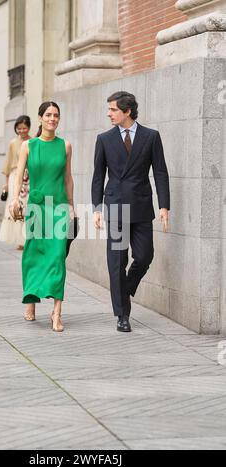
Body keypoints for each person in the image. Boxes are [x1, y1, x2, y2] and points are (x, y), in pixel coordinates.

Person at [91, 91, 170, 333]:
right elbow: (98, 176)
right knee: (117, 261)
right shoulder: (104, 139)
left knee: (145, 255)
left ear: (127, 111)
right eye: (109, 109)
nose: (109, 113)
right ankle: (122, 315)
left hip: (141, 206)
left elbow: (160, 172)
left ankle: (126, 288)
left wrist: (164, 205)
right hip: (115, 207)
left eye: (113, 109)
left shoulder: (150, 137)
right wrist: (96, 207)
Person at [10, 102, 75, 332]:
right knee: (34, 255)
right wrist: (15, 198)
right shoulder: (28, 146)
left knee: (57, 257)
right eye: (48, 115)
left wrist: (71, 206)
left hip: (58, 208)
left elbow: (68, 178)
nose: (52, 119)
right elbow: (19, 175)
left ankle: (57, 312)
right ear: (40, 118)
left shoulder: (65, 145)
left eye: (56, 115)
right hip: (37, 206)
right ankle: (31, 299)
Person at [0, 115, 31, 250]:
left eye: (24, 128)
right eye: (19, 128)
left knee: (28, 207)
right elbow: (8, 165)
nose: (22, 131)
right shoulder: (13, 143)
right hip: (15, 178)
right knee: (17, 207)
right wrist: (6, 184)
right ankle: (19, 239)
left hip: (30, 178)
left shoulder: (33, 141)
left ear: (29, 128)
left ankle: (27, 238)